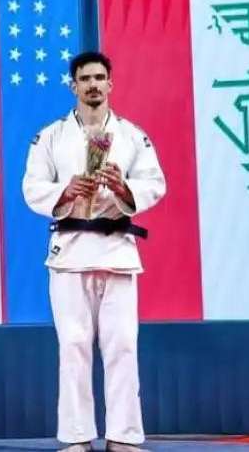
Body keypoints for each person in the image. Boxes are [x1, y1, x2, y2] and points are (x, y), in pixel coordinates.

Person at [23, 51, 167, 452]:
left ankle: (123, 436)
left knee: (122, 344)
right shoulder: (50, 136)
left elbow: (155, 183)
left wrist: (124, 189)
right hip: (70, 252)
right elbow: (32, 187)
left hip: (117, 249)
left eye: (99, 78)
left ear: (110, 84)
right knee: (73, 345)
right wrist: (64, 191)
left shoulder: (132, 136)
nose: (93, 85)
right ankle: (76, 437)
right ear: (73, 85)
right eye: (85, 79)